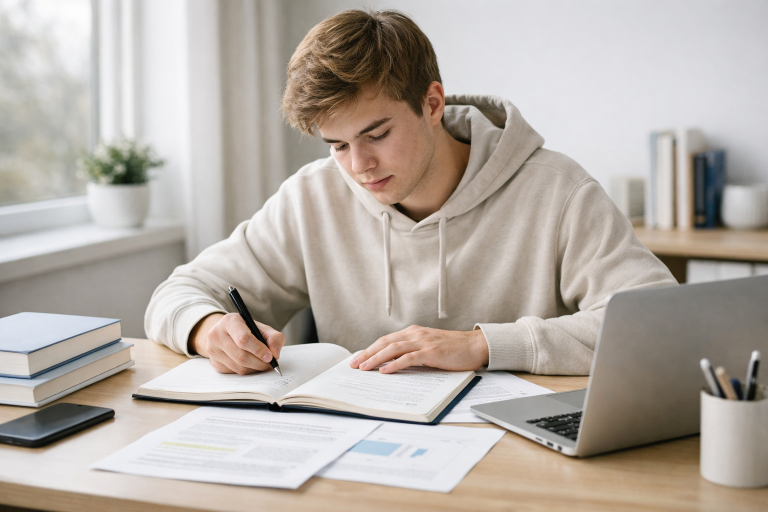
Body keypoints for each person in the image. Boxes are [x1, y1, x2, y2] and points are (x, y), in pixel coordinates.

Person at [144, 9, 675, 377]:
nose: (359, 166)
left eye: (377, 134)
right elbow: (177, 293)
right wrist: (208, 329)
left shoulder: (558, 191)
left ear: (432, 103)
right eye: (337, 145)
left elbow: (656, 322)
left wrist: (482, 344)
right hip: (363, 454)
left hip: (515, 459)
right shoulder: (313, 196)